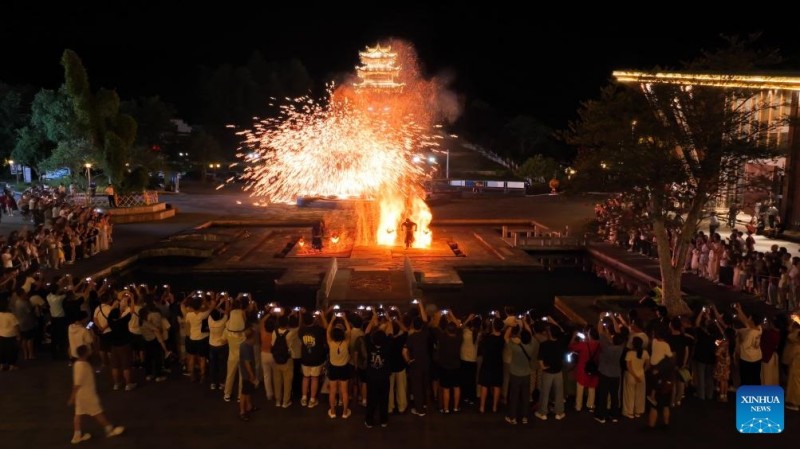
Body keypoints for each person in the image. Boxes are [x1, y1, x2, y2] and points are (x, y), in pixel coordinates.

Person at [68, 345, 124, 444]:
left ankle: (77, 435)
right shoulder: (83, 366)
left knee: (78, 415)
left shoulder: (77, 364)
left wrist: (74, 397)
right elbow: (77, 384)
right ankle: (109, 429)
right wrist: (72, 397)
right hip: (88, 395)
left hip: (81, 396)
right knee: (97, 413)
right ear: (85, 353)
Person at [238, 329, 259, 421]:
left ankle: (249, 406)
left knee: (247, 391)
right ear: (252, 337)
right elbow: (247, 362)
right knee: (244, 393)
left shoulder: (246, 345)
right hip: (247, 374)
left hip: (246, 373)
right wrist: (251, 374)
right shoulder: (246, 347)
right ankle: (242, 411)